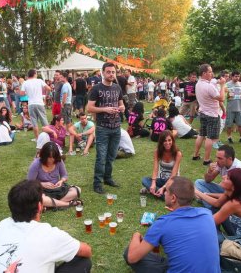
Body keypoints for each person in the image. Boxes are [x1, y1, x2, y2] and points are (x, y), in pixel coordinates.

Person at [0, 179, 92, 272]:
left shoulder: (2, 225)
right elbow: (86, 251)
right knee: (83, 262)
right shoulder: (48, 234)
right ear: (40, 206)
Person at [124, 176, 220, 273]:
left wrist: (136, 235)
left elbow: (132, 258)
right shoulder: (207, 213)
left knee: (129, 252)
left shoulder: (162, 224)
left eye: (166, 190)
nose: (164, 193)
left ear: (173, 198)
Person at [195, 168, 241, 262]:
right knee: (214, 210)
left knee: (204, 234)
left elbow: (207, 223)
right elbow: (217, 204)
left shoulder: (235, 204)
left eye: (228, 178)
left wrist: (195, 192)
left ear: (234, 186)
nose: (223, 176)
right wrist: (205, 194)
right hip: (240, 234)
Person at [87, 62, 125, 194]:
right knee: (101, 157)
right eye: (108, 72)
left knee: (111, 156)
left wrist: (121, 108)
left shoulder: (117, 88)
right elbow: (89, 107)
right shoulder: (96, 88)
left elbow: (122, 105)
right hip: (102, 128)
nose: (111, 74)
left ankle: (108, 178)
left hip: (116, 127)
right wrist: (104, 109)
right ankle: (97, 183)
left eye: (113, 72)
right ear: (102, 73)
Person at [195, 145, 241, 209]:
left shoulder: (239, 170)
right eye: (217, 157)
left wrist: (205, 194)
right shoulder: (221, 164)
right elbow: (208, 180)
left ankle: (211, 205)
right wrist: (209, 171)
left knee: (213, 202)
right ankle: (209, 201)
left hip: (239, 198)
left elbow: (233, 195)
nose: (217, 160)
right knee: (199, 182)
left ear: (229, 159)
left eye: (220, 158)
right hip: (227, 192)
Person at [28, 142, 81, 209]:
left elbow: (64, 175)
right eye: (50, 157)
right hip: (42, 190)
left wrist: (61, 181)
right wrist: (42, 184)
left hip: (57, 189)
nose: (52, 160)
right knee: (41, 198)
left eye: (54, 157)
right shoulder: (36, 164)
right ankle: (67, 204)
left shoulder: (58, 161)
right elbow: (29, 183)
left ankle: (49, 205)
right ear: (44, 155)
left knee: (77, 190)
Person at [193, 64, 226, 165]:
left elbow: (212, 81)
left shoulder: (199, 83)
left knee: (201, 134)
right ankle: (206, 159)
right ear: (204, 73)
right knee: (210, 137)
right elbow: (222, 98)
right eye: (210, 72)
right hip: (212, 114)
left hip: (203, 112)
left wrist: (218, 81)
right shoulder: (208, 87)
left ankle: (195, 155)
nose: (212, 74)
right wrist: (223, 85)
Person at [141, 130, 183, 199]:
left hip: (173, 182)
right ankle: (165, 195)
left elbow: (173, 175)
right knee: (144, 180)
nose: (167, 143)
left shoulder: (178, 154)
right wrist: (153, 183)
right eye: (165, 141)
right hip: (161, 179)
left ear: (173, 141)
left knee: (177, 187)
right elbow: (155, 169)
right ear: (161, 142)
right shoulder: (157, 151)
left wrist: (163, 187)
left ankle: (157, 192)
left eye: (169, 140)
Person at [20, 69, 51, 141]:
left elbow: (21, 93)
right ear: (34, 74)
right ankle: (48, 137)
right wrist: (45, 95)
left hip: (31, 104)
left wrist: (28, 93)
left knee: (34, 122)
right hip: (39, 103)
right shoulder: (39, 81)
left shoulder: (25, 82)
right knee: (44, 120)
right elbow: (49, 88)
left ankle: (37, 138)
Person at [225, 71, 241, 144]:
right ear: (231, 76)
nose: (237, 78)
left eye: (238, 76)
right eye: (235, 76)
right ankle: (229, 137)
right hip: (230, 107)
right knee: (229, 124)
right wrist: (228, 96)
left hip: (239, 107)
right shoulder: (227, 84)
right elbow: (224, 96)